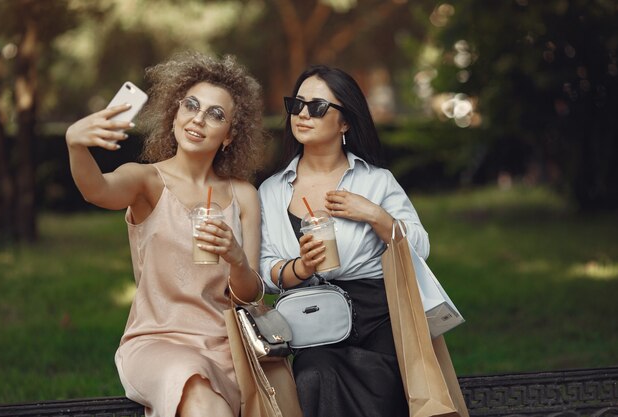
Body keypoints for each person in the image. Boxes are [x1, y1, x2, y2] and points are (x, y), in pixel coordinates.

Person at [65, 52, 266, 417]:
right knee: (202, 400)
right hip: (158, 342)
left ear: (230, 135)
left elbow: (249, 296)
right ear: (175, 112)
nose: (198, 119)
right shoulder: (146, 181)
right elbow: (96, 189)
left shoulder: (243, 196)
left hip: (225, 348)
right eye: (191, 105)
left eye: (215, 114)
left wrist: (235, 257)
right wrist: (75, 145)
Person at [258, 65, 430, 417]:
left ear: (346, 122)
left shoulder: (376, 181)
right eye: (297, 104)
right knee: (314, 375)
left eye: (318, 107)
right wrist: (300, 267)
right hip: (311, 322)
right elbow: (262, 270)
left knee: (385, 384)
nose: (303, 114)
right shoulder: (272, 190)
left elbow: (420, 249)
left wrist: (374, 214)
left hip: (377, 319)